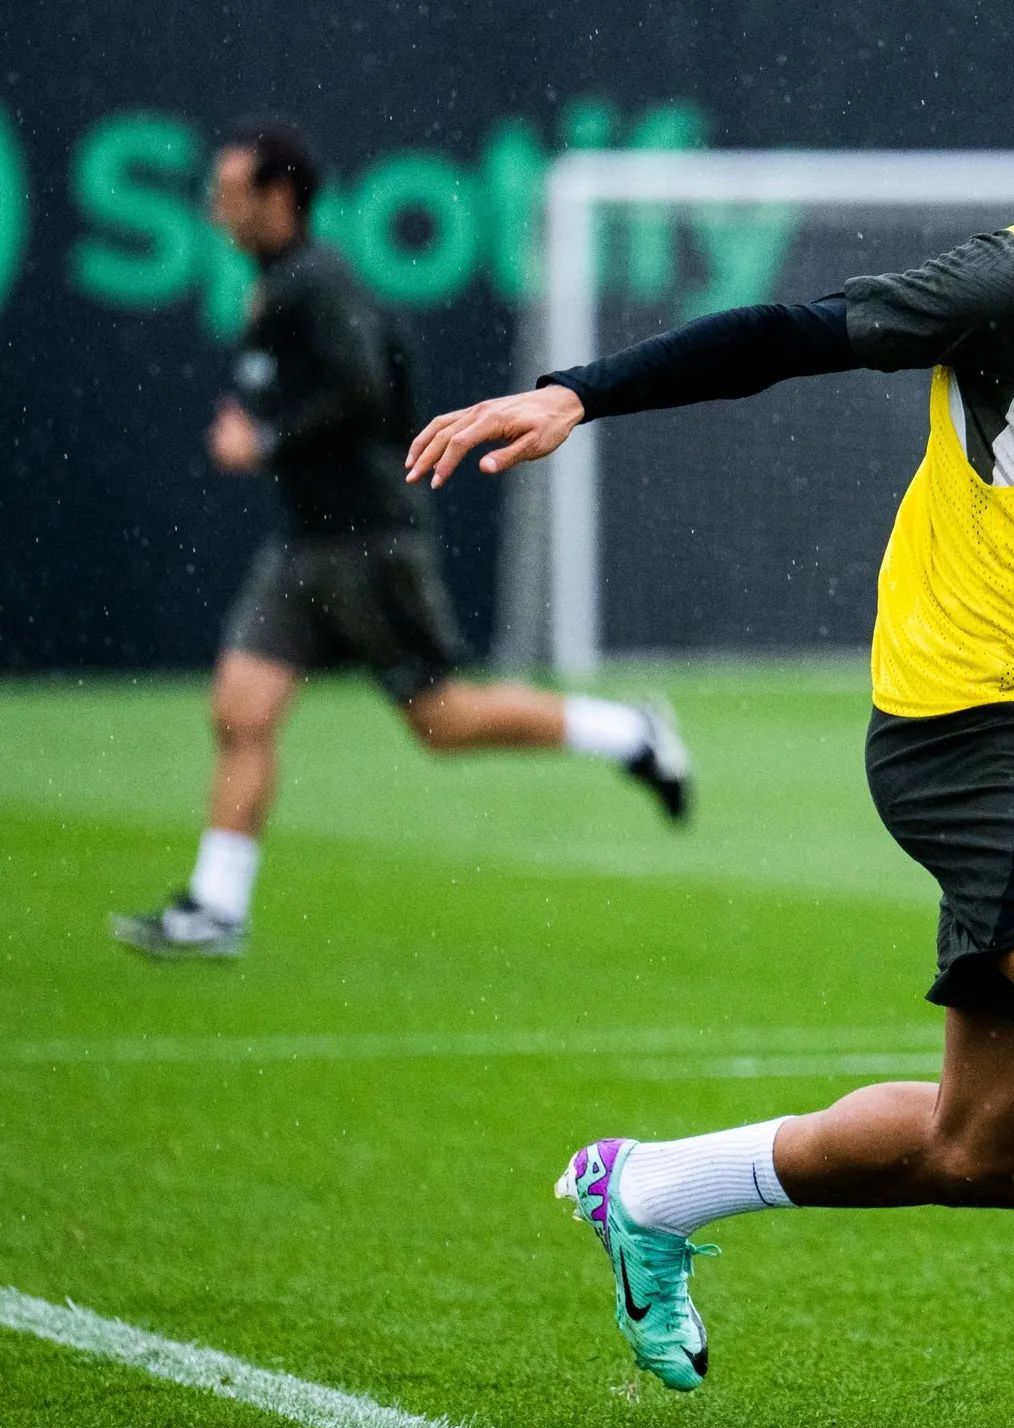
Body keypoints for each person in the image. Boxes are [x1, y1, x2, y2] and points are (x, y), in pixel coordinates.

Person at [404, 20, 1014, 1428]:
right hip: (971, 711)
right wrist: (576, 392)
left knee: (989, 1156)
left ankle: (658, 1189)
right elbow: (793, 336)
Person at [109, 121, 692, 962]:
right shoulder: (278, 284)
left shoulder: (319, 283)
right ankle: (215, 908)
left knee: (443, 720)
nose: (214, 210)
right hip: (306, 540)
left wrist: (267, 442)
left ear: (279, 197)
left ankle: (630, 734)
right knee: (241, 710)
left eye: (230, 193)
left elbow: (367, 391)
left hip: (367, 540)